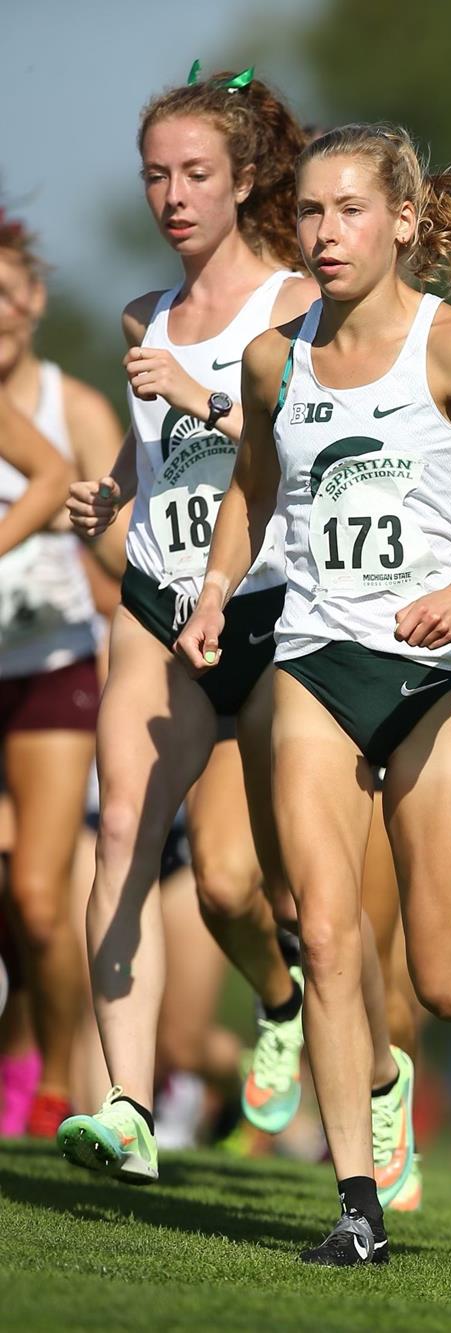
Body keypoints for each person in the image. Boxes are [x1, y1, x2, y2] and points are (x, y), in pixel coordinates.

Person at [173, 121, 451, 1263]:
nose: (326, 232)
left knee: (446, 985)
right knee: (325, 928)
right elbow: (251, 491)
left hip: (443, 672)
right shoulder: (274, 359)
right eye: (310, 211)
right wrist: (215, 591)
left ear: (402, 220)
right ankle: (356, 1201)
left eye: (349, 209)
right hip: (317, 656)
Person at [56, 66, 326, 1185]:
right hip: (159, 600)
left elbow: (306, 449)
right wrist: (112, 492)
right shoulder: (143, 316)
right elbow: (154, 445)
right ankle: (128, 1110)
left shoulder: (298, 303)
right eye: (155, 176)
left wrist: (201, 396)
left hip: (268, 608)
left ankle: (290, 1003)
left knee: (230, 882)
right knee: (122, 827)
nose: (172, 196)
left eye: (195, 174)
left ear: (246, 176)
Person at [0, 208, 121, 1136]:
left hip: (54, 665)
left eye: (5, 295)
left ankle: (46, 1073)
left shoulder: (72, 409)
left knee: (40, 904)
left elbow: (122, 549)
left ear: (35, 300)